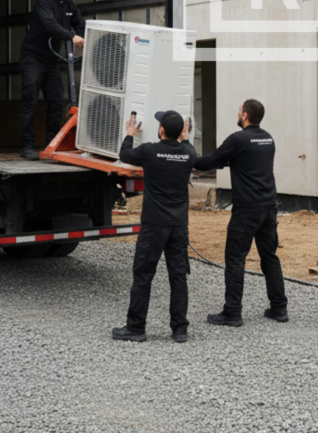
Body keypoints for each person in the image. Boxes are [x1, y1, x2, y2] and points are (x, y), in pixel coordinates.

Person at [194, 99, 288, 326]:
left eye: (238, 111)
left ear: (245, 115)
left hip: (247, 210)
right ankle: (279, 309)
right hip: (268, 208)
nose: (237, 114)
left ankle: (232, 313)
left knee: (235, 259)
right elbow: (245, 161)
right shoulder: (268, 138)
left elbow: (208, 162)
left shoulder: (237, 139)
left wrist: (185, 155)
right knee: (270, 258)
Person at [112, 110, 196, 343]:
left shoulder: (150, 150)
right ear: (180, 132)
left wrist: (129, 134)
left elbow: (125, 155)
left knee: (143, 275)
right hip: (179, 227)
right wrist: (185, 137)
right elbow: (188, 148)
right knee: (178, 277)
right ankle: (180, 330)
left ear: (160, 130)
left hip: (153, 226)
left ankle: (136, 328)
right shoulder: (188, 153)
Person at [18, 0, 86, 160]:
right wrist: (72, 36)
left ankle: (51, 144)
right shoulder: (44, 1)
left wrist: (81, 36)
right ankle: (26, 147)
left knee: (56, 102)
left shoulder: (70, 4)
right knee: (30, 102)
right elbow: (50, 25)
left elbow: (79, 23)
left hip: (52, 60)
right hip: (33, 58)